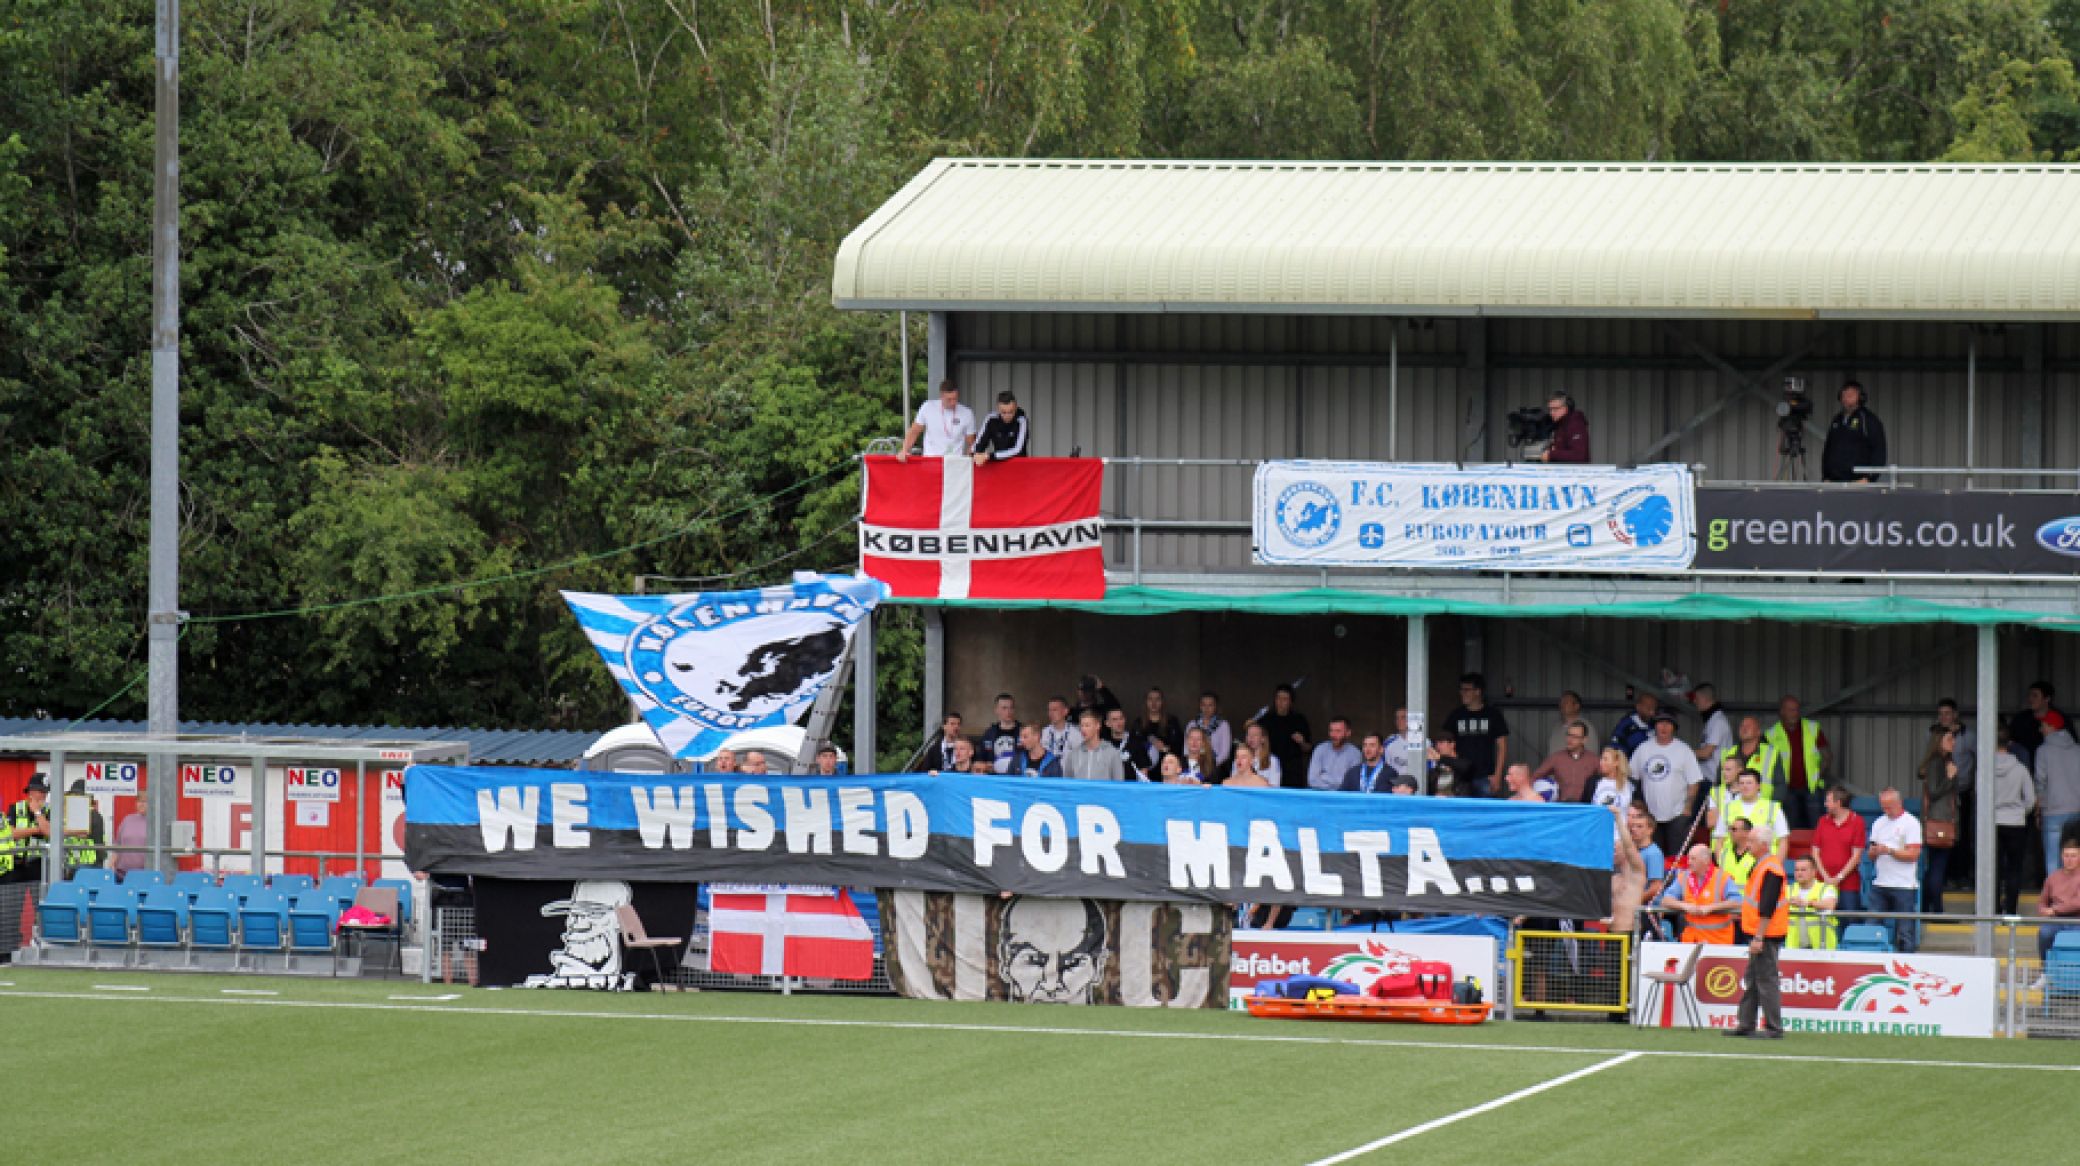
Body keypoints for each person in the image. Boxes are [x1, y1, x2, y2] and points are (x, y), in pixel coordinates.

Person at [1729, 824, 1790, 1039]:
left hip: (1766, 934)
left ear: (1763, 845)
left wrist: (1758, 937)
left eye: (1752, 841)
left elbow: (1767, 908)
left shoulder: (1771, 869)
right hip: (1763, 933)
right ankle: (1746, 1024)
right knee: (1754, 979)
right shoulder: (1765, 865)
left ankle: (1772, 1028)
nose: (1748, 844)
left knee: (1765, 980)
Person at [1631, 712, 1704, 858]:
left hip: (1677, 814)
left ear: (1674, 728)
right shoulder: (1643, 749)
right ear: (1655, 726)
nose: (1664, 727)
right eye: (1660, 723)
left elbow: (1694, 781)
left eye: (1668, 723)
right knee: (1652, 855)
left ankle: (1676, 881)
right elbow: (1632, 777)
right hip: (1650, 815)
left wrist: (1688, 808)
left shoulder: (1684, 750)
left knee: (1677, 857)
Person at [1919, 703, 1965, 911]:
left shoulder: (1943, 760)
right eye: (1949, 739)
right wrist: (1950, 778)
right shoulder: (1938, 763)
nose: (1953, 742)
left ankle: (1929, 906)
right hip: (1939, 821)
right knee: (1937, 867)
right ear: (1939, 742)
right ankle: (1935, 909)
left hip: (1941, 820)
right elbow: (1935, 792)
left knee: (1936, 867)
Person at [1867, 787, 1924, 953]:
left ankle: (1907, 960)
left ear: (1899, 803)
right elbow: (1871, 855)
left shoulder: (1911, 823)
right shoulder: (1879, 822)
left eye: (1889, 807)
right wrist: (1873, 852)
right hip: (1880, 882)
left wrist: (1890, 851)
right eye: (1883, 807)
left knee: (1905, 930)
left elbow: (1913, 854)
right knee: (1872, 926)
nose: (1886, 811)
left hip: (1904, 884)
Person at [1765, 695, 1830, 831]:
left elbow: (1827, 756)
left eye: (1796, 710)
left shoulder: (1812, 728)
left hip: (1811, 788)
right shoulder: (1770, 735)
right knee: (1790, 828)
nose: (1795, 713)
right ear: (1782, 712)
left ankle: (1816, 852)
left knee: (1817, 827)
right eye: (1791, 710)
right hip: (1786, 790)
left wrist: (1818, 775)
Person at [1990, 728, 2037, 917]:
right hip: (2015, 823)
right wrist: (2020, 812)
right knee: (2014, 868)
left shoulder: (1985, 769)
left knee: (1992, 868)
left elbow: (1979, 794)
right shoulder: (2020, 769)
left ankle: (1991, 908)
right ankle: (2010, 909)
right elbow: (2031, 799)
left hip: (1992, 823)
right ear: (2010, 745)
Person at [1446, 672, 1510, 799]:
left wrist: (1497, 775)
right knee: (1461, 813)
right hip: (1460, 776)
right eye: (1461, 689)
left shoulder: (1493, 715)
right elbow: (1445, 744)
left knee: (1486, 814)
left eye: (1466, 690)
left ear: (1478, 691)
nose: (1462, 693)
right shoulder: (1456, 715)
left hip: (1485, 776)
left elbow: (1502, 747)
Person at [1661, 843, 1739, 946]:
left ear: (1706, 861)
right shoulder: (1684, 877)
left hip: (1717, 941)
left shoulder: (1722, 877)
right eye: (1689, 858)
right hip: (1691, 940)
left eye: (1693, 859)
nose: (1689, 862)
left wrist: (1711, 908)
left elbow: (1737, 901)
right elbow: (1666, 900)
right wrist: (1685, 906)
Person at [2037, 714, 2080, 884]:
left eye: (2043, 725)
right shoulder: (2077, 750)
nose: (2040, 729)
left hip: (2054, 810)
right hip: (2076, 809)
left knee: (2053, 859)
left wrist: (2040, 808)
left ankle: (2055, 898)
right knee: (2075, 856)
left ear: (2052, 726)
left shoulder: (2043, 751)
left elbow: (2040, 781)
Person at [1712, 770, 1787, 866]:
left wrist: (1775, 867)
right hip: (1731, 866)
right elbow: (1719, 841)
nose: (1745, 786)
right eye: (1741, 783)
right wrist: (1722, 864)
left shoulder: (1772, 808)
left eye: (1749, 783)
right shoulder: (1728, 808)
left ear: (1758, 786)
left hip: (1762, 865)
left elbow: (1783, 841)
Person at [1813, 785, 1868, 915]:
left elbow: (1856, 856)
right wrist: (1826, 876)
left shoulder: (1857, 822)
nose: (1825, 804)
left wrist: (1839, 877)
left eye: (1828, 801)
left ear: (1838, 803)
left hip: (1848, 884)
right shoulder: (1822, 821)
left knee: (1849, 920)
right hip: (1823, 881)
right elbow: (1815, 852)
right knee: (1823, 921)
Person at [1819, 379, 1887, 484]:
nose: (1846, 399)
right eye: (1843, 396)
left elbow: (1879, 451)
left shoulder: (1868, 420)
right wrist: (1825, 476)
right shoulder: (1837, 420)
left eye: (1850, 395)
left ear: (1860, 398)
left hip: (1858, 482)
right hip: (1834, 482)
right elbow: (1828, 450)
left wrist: (1869, 478)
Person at [2033, 840, 2080, 982]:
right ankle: (2046, 973)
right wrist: (2043, 910)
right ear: (2061, 856)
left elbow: (2077, 903)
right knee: (2044, 933)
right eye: (2066, 856)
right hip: (2056, 920)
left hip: (2077, 919)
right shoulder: (2053, 877)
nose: (2069, 859)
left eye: (2073, 856)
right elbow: (2042, 902)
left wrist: (2054, 910)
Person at [897, 379, 975, 461]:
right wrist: (904, 450)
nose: (952, 403)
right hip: (930, 461)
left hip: (954, 463)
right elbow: (914, 431)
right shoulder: (927, 407)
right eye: (949, 399)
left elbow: (972, 443)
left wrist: (968, 460)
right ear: (941, 396)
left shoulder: (967, 413)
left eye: (955, 399)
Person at [1256, 684, 1312, 790]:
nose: (1281, 702)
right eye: (1278, 698)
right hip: (1269, 767)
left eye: (1285, 699)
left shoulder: (1299, 720)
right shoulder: (1265, 720)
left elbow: (1308, 748)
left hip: (1292, 770)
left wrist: (1301, 742)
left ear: (1291, 702)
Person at [1720, 715, 1785, 804]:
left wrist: (1771, 807)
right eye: (1742, 726)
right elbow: (1719, 784)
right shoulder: (1728, 753)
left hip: (1762, 808)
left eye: (1748, 726)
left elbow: (1780, 785)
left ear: (1758, 732)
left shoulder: (1771, 753)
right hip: (1733, 808)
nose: (1744, 728)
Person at [2, 774, 52, 886]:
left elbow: (48, 831)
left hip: (39, 865)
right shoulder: (15, 808)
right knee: (12, 900)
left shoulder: (49, 811)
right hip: (16, 863)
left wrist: (37, 812)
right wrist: (37, 830)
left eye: (46, 792)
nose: (44, 795)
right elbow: (12, 833)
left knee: (39, 900)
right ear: (31, 791)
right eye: (41, 791)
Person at [1533, 721, 1599, 803]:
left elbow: (1608, 780)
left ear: (1584, 740)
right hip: (1562, 808)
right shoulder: (1556, 758)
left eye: (1575, 736)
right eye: (1568, 735)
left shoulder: (1593, 760)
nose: (1570, 739)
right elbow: (1535, 777)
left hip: (1585, 809)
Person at [1785, 855, 1839, 950]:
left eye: (1803, 870)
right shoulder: (1788, 890)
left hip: (1822, 949)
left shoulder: (1826, 888)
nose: (1799, 873)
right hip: (1794, 949)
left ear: (1814, 872)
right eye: (1796, 870)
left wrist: (1807, 903)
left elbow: (1830, 905)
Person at [1060, 710, 1124, 782]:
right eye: (1081, 725)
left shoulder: (1112, 753)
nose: (1083, 729)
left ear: (1097, 726)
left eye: (1087, 725)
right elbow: (1067, 783)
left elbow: (1119, 783)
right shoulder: (1073, 754)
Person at [971, 390, 1030, 464]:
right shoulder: (991, 419)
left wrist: (989, 456)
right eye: (1004, 412)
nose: (1007, 416)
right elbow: (978, 443)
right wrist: (976, 454)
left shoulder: (1021, 420)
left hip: (1018, 466)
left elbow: (1018, 450)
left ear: (1015, 407)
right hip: (999, 466)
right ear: (998, 408)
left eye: (1011, 412)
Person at [61, 780, 106, 871]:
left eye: (76, 795)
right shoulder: (78, 813)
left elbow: (83, 833)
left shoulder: (91, 814)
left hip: (88, 863)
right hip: (77, 861)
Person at [1307, 716, 1359, 792]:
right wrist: (1338, 783)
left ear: (1348, 733)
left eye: (1338, 731)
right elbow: (1312, 780)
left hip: (1342, 798)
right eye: (1331, 731)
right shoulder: (1320, 749)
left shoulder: (1355, 753)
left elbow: (1352, 783)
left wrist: (1324, 777)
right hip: (1320, 796)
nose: (1333, 735)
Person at [1134, 687, 1185, 760]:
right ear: (1146, 701)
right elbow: (1133, 746)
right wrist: (1149, 744)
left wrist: (1166, 748)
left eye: (1157, 699)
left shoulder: (1172, 721)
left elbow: (1179, 745)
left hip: (1167, 765)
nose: (1154, 703)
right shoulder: (1138, 722)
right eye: (1150, 699)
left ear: (1162, 702)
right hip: (1146, 767)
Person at [1690, 683, 1733, 768]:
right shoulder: (1712, 720)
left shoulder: (1718, 721)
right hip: (1707, 775)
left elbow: (1706, 753)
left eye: (1696, 698)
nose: (1694, 701)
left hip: (1713, 778)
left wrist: (1682, 753)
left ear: (1704, 698)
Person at [979, 693, 1023, 775]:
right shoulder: (989, 734)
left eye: (1011, 708)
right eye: (1004, 708)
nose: (1008, 711)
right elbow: (981, 758)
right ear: (996, 710)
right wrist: (986, 765)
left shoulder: (1023, 732)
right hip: (994, 777)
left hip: (1017, 777)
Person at [1540, 392, 1589, 464]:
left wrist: (1551, 455)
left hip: (1575, 474)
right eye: (1550, 409)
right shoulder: (1560, 425)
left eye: (1555, 409)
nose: (1551, 413)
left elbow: (1579, 456)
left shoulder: (1576, 424)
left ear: (1566, 408)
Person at [1104, 707, 1152, 780]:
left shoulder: (1136, 743)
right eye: (1114, 720)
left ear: (1125, 720)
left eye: (1121, 718)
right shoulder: (1103, 744)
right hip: (1108, 787)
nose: (1119, 722)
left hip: (1130, 788)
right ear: (1107, 723)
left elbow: (1143, 771)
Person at [1607, 691, 1658, 757]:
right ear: (1638, 707)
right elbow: (1616, 750)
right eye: (1648, 709)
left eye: (1654, 709)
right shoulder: (1625, 725)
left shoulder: (1655, 725)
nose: (1652, 713)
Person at [1545, 691, 1595, 759]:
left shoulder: (1586, 727)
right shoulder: (1556, 727)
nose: (1561, 705)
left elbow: (1591, 755)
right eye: (1561, 702)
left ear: (1576, 706)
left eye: (1565, 702)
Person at [1188, 692, 1233, 766]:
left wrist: (1212, 765)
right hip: (1193, 764)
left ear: (1215, 706)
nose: (1206, 708)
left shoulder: (1223, 725)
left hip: (1216, 766)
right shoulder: (1192, 724)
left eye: (1210, 705)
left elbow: (1225, 753)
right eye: (1203, 705)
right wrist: (1193, 763)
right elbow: (1186, 749)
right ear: (1200, 706)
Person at [1425, 730, 1473, 797]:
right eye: (1436, 744)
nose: (1438, 746)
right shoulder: (1435, 765)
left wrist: (1440, 758)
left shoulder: (1463, 762)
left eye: (1441, 743)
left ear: (1452, 744)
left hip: (1457, 801)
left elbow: (1466, 768)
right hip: (1438, 801)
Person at [1589, 748, 1634, 818]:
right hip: (1599, 827)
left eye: (1605, 759)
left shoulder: (1630, 784)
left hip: (1621, 827)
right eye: (1601, 759)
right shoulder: (1593, 782)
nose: (1601, 762)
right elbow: (1586, 807)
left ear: (1616, 763)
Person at [1241, 721, 1284, 787]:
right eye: (1248, 735)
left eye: (1255, 735)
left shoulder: (1272, 760)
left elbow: (1275, 787)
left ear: (1263, 739)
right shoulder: (1240, 759)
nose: (1251, 738)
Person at [1381, 707, 1416, 780]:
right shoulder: (1389, 742)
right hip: (1396, 786)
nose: (1399, 721)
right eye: (1397, 718)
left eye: (1403, 717)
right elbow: (1383, 767)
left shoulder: (1425, 742)